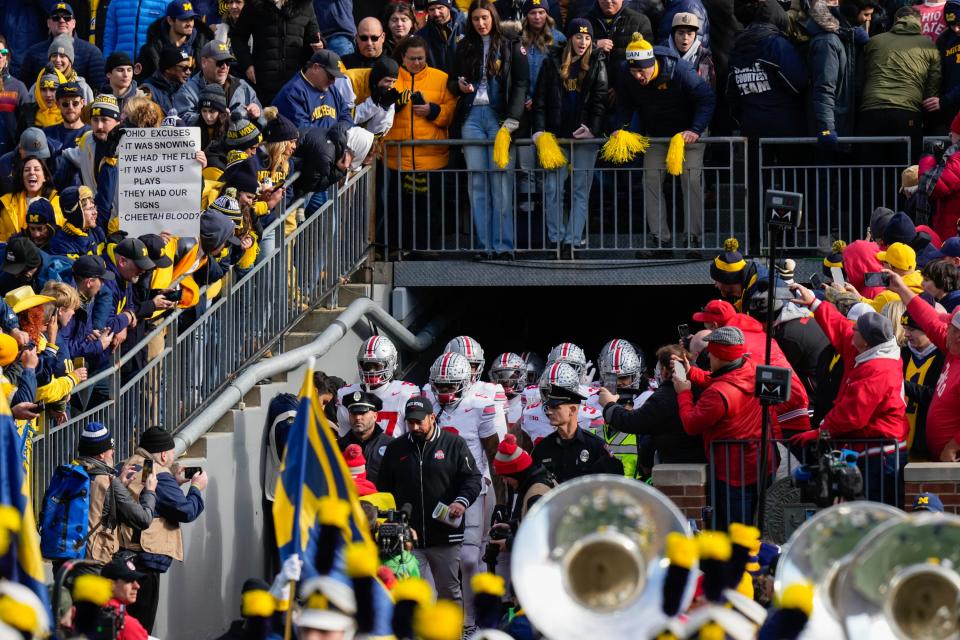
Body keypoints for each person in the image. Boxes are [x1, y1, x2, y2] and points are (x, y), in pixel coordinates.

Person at [790, 284, 908, 506]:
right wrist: (814, 303)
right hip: (870, 450)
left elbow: (852, 415)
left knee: (875, 512)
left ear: (865, 340)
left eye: (857, 330)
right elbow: (840, 327)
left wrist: (819, 433)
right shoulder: (868, 349)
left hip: (880, 457)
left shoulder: (878, 370)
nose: (851, 330)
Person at [377, 395, 483, 605]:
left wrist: (461, 502)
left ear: (432, 417)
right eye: (410, 422)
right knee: (410, 594)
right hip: (408, 537)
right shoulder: (395, 448)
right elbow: (384, 490)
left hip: (445, 536)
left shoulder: (454, 444)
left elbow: (473, 478)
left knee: (449, 592)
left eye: (419, 421)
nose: (415, 427)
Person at [615, 33, 715, 252]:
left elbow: (706, 98)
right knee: (650, 178)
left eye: (642, 71)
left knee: (690, 178)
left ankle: (693, 238)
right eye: (634, 72)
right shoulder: (626, 73)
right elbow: (625, 103)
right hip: (657, 133)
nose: (638, 76)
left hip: (689, 132)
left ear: (653, 64)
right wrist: (620, 129)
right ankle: (660, 238)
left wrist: (695, 129)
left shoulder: (681, 71)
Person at [449, 0, 529, 258]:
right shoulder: (464, 45)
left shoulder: (512, 44)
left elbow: (520, 83)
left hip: (500, 118)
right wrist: (458, 85)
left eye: (484, 18)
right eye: (475, 19)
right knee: (478, 184)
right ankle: (485, 247)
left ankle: (504, 246)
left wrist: (513, 119)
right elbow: (451, 80)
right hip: (472, 117)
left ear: (493, 17)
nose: (480, 23)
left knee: (502, 183)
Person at [673, 326, 768, 526]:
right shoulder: (750, 367)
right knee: (754, 527)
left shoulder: (717, 394)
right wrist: (691, 373)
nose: (709, 358)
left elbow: (691, 424)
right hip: (758, 462)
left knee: (735, 530)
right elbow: (724, 378)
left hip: (731, 472)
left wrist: (683, 392)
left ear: (718, 356)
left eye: (712, 353)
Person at [120, 426, 207, 633]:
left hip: (123, 556)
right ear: (164, 454)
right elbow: (185, 511)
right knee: (141, 629)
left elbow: (147, 493)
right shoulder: (159, 474)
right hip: (145, 560)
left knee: (124, 626)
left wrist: (174, 482)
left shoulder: (130, 466)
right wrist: (195, 488)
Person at [531, 18, 606, 257]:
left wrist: (592, 129)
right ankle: (556, 238)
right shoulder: (551, 61)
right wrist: (539, 130)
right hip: (557, 136)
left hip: (584, 137)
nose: (583, 41)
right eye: (578, 36)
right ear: (570, 38)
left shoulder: (597, 62)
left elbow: (600, 101)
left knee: (580, 190)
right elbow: (540, 98)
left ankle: (571, 241)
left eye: (587, 37)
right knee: (553, 188)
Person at [382, 36, 456, 251]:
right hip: (398, 159)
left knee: (429, 208)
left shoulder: (441, 78)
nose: (416, 63)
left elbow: (451, 112)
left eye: (421, 58)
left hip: (431, 158)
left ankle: (428, 249)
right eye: (412, 58)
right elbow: (379, 111)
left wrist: (432, 110)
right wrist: (396, 103)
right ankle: (400, 249)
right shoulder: (392, 78)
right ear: (403, 58)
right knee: (400, 208)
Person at [66, 422, 158, 566]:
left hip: (64, 556)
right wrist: (150, 491)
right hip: (93, 558)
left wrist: (119, 484)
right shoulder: (108, 481)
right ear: (102, 454)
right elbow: (143, 519)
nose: (113, 452)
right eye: (111, 448)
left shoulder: (68, 473)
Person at [599, 344, 707, 465]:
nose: (619, 382)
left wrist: (609, 405)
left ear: (664, 371)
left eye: (623, 377)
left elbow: (631, 422)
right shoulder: (706, 388)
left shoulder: (664, 397)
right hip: (710, 465)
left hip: (678, 470)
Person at [858, 6, 940, 164]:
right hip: (907, 113)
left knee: (869, 170)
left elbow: (860, 78)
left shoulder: (874, 41)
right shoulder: (928, 45)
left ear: (896, 20)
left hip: (871, 110)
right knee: (906, 170)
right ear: (919, 22)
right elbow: (933, 85)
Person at [531, 362, 624, 482]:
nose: (548, 412)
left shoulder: (597, 447)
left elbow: (612, 485)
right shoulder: (542, 449)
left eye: (555, 407)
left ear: (572, 410)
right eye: (548, 407)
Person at [231, 0, 323, 105]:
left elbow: (315, 35)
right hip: (264, 82)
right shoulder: (255, 4)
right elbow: (238, 37)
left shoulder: (304, 5)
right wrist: (247, 64)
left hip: (296, 83)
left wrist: (319, 45)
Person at [335, 336, 422, 437]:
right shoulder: (347, 394)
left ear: (391, 363)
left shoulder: (406, 392)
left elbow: (413, 437)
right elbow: (345, 436)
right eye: (367, 366)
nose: (371, 371)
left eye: (377, 365)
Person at [18, 3, 106, 92]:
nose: (62, 20)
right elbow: (24, 89)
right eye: (56, 17)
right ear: (48, 23)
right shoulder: (33, 53)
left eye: (67, 17)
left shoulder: (92, 52)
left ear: (74, 23)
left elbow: (99, 90)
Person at [172, 41, 261, 126]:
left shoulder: (242, 86)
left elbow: (265, 119)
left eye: (228, 62)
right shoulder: (187, 92)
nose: (224, 66)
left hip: (240, 141)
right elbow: (181, 122)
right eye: (220, 62)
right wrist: (213, 118)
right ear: (204, 62)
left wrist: (258, 114)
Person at [901, 297, 944, 460]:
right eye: (904, 328)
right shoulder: (901, 353)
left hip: (924, 442)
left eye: (911, 329)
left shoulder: (943, 357)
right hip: (899, 440)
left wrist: (903, 385)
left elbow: (938, 397)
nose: (906, 334)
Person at [272, 49, 353, 131]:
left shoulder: (330, 88)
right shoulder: (293, 93)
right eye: (330, 76)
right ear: (316, 68)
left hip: (332, 140)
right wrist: (332, 136)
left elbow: (346, 114)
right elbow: (303, 132)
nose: (333, 82)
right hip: (311, 142)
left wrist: (342, 129)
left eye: (335, 77)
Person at [135, 1, 215, 82]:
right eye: (184, 19)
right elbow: (139, 82)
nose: (189, 24)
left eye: (191, 19)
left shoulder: (203, 46)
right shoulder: (152, 49)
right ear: (170, 20)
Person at [586, 0, 654, 94]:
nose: (608, 1)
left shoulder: (640, 21)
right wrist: (594, 45)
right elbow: (570, 51)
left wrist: (621, 88)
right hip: (591, 93)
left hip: (627, 93)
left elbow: (647, 64)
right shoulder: (585, 21)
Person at [0, 157, 61, 242]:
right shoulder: (6, 203)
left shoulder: (58, 203)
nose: (32, 172)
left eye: (36, 169)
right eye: (27, 170)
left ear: (45, 177)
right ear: (22, 177)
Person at [337, 389, 392, 484]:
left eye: (362, 413)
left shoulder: (391, 446)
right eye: (353, 413)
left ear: (375, 416)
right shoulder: (337, 447)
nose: (358, 418)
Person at [100, 555, 151, 640]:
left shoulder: (83, 613)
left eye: (136, 581)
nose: (137, 586)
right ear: (110, 584)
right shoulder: (127, 625)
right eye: (129, 581)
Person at [103, 0, 168, 59]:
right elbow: (109, 37)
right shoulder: (116, 1)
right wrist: (108, 61)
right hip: (122, 64)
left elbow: (171, 37)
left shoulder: (166, 2)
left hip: (153, 64)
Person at [140, 46, 192, 114]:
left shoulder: (186, 89)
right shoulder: (148, 90)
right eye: (184, 68)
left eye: (190, 68)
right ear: (168, 69)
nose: (189, 72)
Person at [668, 12, 715, 87]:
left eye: (690, 34)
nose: (685, 37)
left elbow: (705, 86)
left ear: (695, 36)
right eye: (680, 33)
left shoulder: (704, 55)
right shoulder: (663, 52)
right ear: (673, 34)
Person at [417, 0, 465, 72]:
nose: (436, 13)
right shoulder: (421, 36)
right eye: (431, 9)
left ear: (449, 7)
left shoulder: (466, 28)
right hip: (436, 81)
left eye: (440, 8)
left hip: (463, 81)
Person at [0, 38, 29, 157]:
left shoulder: (18, 87)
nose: (0, 56)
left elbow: (27, 125)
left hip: (9, 155)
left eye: (3, 52)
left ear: (7, 57)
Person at [43, 81, 90, 150]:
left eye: (75, 103)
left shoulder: (91, 134)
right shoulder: (47, 134)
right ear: (58, 105)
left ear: (82, 103)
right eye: (65, 104)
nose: (70, 107)